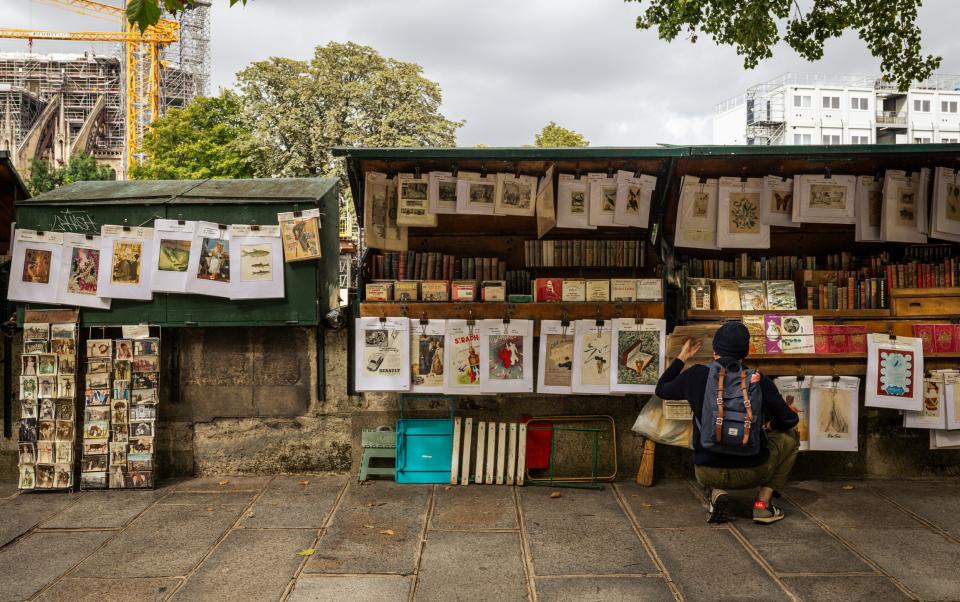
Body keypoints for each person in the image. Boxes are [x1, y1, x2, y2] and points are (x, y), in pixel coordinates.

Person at [654, 322, 799, 524]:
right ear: (746, 351)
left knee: (701, 429)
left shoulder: (696, 375)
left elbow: (662, 389)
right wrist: (768, 427)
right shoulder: (758, 379)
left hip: (707, 471)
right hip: (752, 472)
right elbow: (790, 420)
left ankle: (716, 492)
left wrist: (682, 357)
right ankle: (763, 505)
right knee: (791, 437)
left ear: (715, 349)